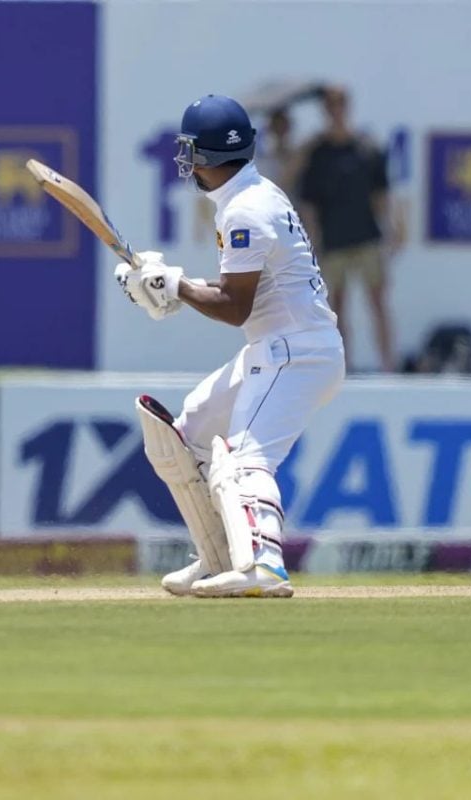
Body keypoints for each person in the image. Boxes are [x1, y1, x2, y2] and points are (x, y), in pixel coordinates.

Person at [115, 94, 344, 598]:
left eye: (190, 150)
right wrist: (170, 287)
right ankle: (221, 557)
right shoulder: (256, 194)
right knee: (188, 433)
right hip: (281, 346)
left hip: (294, 352)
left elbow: (233, 306)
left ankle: (263, 567)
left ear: (209, 157)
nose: (185, 161)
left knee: (244, 459)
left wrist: (173, 285)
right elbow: (233, 297)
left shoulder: (245, 211)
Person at [298, 85, 404, 373]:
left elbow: (381, 195)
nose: (336, 112)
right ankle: (344, 367)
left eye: (340, 105)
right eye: (330, 107)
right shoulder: (318, 153)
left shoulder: (365, 148)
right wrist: (312, 240)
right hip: (334, 240)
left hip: (367, 237)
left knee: (378, 302)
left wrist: (391, 229)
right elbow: (309, 204)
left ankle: (388, 366)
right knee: (338, 308)